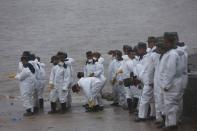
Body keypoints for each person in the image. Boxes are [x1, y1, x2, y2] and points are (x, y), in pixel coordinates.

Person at [158, 32, 181, 130]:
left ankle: (172, 125)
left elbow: (170, 72)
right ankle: (169, 124)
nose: (164, 43)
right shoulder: (168, 54)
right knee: (168, 105)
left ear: (170, 42)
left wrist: (166, 85)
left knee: (171, 105)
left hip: (171, 85)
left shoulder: (172, 54)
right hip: (168, 84)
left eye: (166, 41)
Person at [134, 41, 156, 122]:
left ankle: (142, 117)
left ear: (143, 49)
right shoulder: (143, 57)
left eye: (138, 49)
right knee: (152, 100)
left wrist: (150, 81)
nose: (137, 51)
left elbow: (149, 70)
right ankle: (153, 115)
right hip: (146, 81)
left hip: (148, 81)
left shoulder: (148, 57)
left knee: (144, 99)